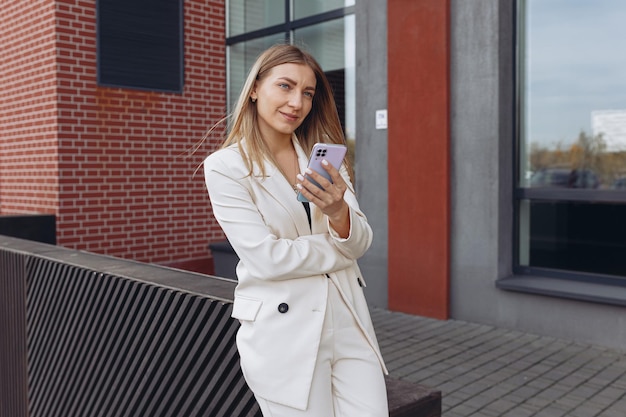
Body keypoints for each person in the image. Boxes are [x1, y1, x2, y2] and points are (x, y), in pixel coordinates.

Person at [203, 44, 388, 417]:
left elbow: (363, 239)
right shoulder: (225, 167)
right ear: (255, 89)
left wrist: (338, 211)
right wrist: (339, 243)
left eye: (307, 92)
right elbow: (267, 259)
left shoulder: (325, 157)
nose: (297, 102)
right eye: (285, 86)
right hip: (284, 333)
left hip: (348, 320)